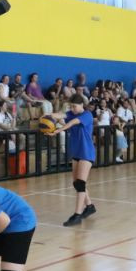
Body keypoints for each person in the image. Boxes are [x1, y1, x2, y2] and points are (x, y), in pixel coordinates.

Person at [48, 94, 96, 227]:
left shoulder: (87, 115)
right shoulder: (71, 113)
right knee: (76, 183)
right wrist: (48, 116)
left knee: (80, 183)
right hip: (77, 152)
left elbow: (71, 123)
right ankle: (90, 206)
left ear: (81, 105)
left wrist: (57, 131)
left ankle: (77, 215)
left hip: (87, 152)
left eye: (74, 106)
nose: (73, 109)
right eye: (71, 106)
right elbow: (61, 115)